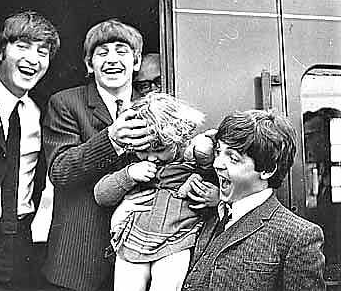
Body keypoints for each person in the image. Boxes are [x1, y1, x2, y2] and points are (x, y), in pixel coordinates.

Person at [42, 19, 153, 291]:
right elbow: (60, 170)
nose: (112, 59)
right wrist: (111, 140)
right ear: (89, 65)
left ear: (136, 62)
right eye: (102, 52)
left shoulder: (153, 106)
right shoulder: (65, 103)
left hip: (140, 255)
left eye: (122, 50)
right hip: (79, 260)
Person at [181, 109, 326, 291]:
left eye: (233, 158)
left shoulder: (299, 236)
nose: (217, 163)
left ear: (267, 170)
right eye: (218, 152)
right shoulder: (208, 214)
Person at [94, 92, 219, 291]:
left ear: (179, 137)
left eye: (160, 149)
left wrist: (216, 198)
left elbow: (219, 184)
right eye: (143, 149)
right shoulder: (132, 161)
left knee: (167, 285)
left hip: (177, 240)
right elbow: (101, 195)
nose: (151, 157)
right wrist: (129, 175)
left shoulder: (190, 162)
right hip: (133, 239)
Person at [0, 11, 60, 291]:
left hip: (21, 238)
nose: (33, 59)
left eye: (42, 52)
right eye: (22, 47)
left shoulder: (42, 110)